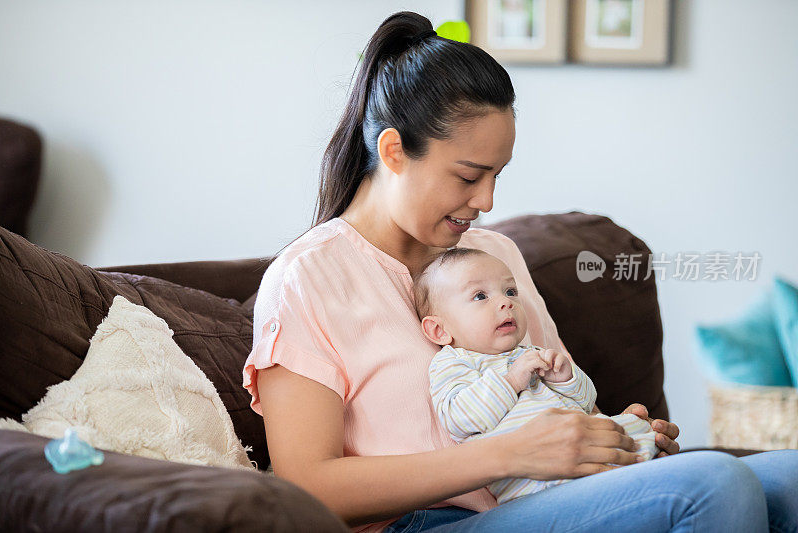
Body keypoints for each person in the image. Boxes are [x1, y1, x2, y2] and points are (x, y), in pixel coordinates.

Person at [242, 10, 798, 533]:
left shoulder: (495, 255)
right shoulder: (308, 279)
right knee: (713, 484)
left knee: (791, 478)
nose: (484, 200)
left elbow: (556, 397)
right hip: (428, 521)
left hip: (539, 495)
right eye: (468, 176)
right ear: (393, 151)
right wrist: (506, 454)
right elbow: (305, 485)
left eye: (496, 177)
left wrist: (614, 435)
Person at [415, 247, 658, 504]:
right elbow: (459, 418)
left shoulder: (532, 352)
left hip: (580, 447)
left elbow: (586, 404)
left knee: (635, 424)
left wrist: (566, 379)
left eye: (510, 291)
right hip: (534, 482)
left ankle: (644, 459)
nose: (505, 302)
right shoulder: (454, 361)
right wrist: (510, 381)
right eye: (480, 296)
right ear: (439, 330)